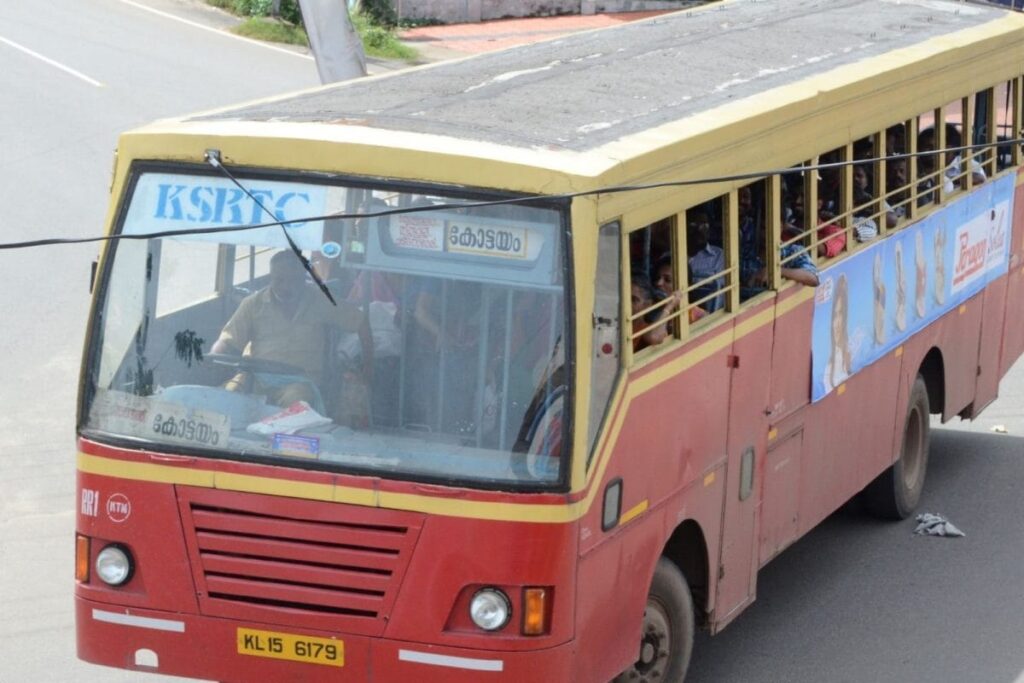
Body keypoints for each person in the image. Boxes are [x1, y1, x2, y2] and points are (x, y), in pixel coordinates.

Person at [211, 250, 367, 410]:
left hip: (299, 382)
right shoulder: (252, 304)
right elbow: (227, 341)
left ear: (304, 278)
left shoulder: (322, 301)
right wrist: (214, 356)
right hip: (255, 378)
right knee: (226, 397)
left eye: (294, 280)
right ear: (270, 278)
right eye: (279, 280)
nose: (286, 287)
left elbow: (362, 323)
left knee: (296, 403)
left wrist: (368, 370)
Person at [631, 274, 682, 352]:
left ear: (647, 305)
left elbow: (654, 336)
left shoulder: (645, 328)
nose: (628, 304)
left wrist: (669, 307)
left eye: (634, 300)